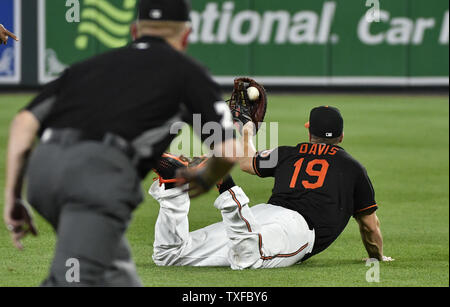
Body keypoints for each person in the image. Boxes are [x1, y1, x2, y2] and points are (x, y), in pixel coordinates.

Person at [3, 0, 238, 286]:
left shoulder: (90, 65)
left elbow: (24, 123)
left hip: (42, 173)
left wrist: (14, 196)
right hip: (94, 179)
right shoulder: (188, 73)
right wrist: (206, 177)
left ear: (134, 30)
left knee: (116, 277)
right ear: (186, 35)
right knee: (73, 279)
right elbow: (228, 151)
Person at [149, 106, 393, 270]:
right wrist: (376, 256)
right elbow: (370, 226)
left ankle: (171, 191)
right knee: (249, 258)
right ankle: (226, 185)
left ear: (308, 129)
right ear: (341, 136)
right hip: (296, 230)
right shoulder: (352, 167)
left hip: (261, 214)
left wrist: (246, 128)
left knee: (169, 256)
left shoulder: (288, 153)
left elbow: (247, 162)